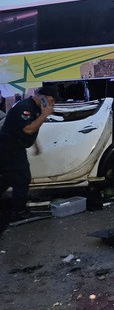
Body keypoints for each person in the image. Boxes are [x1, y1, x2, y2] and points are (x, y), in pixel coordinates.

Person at [0, 86, 59, 223]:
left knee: (8, 179)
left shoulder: (35, 107)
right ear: (42, 97)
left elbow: (31, 129)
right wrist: (45, 114)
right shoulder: (25, 107)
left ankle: (16, 209)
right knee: (22, 179)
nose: (53, 103)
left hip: (13, 147)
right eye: (52, 99)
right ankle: (19, 213)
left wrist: (36, 145)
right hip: (9, 148)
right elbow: (28, 129)